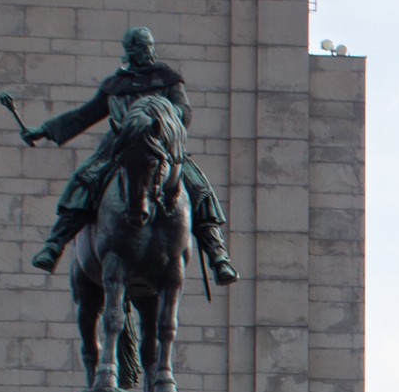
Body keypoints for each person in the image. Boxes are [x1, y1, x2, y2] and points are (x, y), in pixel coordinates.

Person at [18, 26, 238, 283]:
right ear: (128, 52)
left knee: (199, 188)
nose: (142, 53)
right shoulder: (115, 85)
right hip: (118, 149)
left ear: (152, 48)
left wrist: (160, 115)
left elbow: (184, 112)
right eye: (137, 49)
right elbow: (84, 115)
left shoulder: (168, 79)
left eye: (146, 48)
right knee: (83, 180)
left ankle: (218, 255)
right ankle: (54, 245)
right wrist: (43, 130)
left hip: (161, 148)